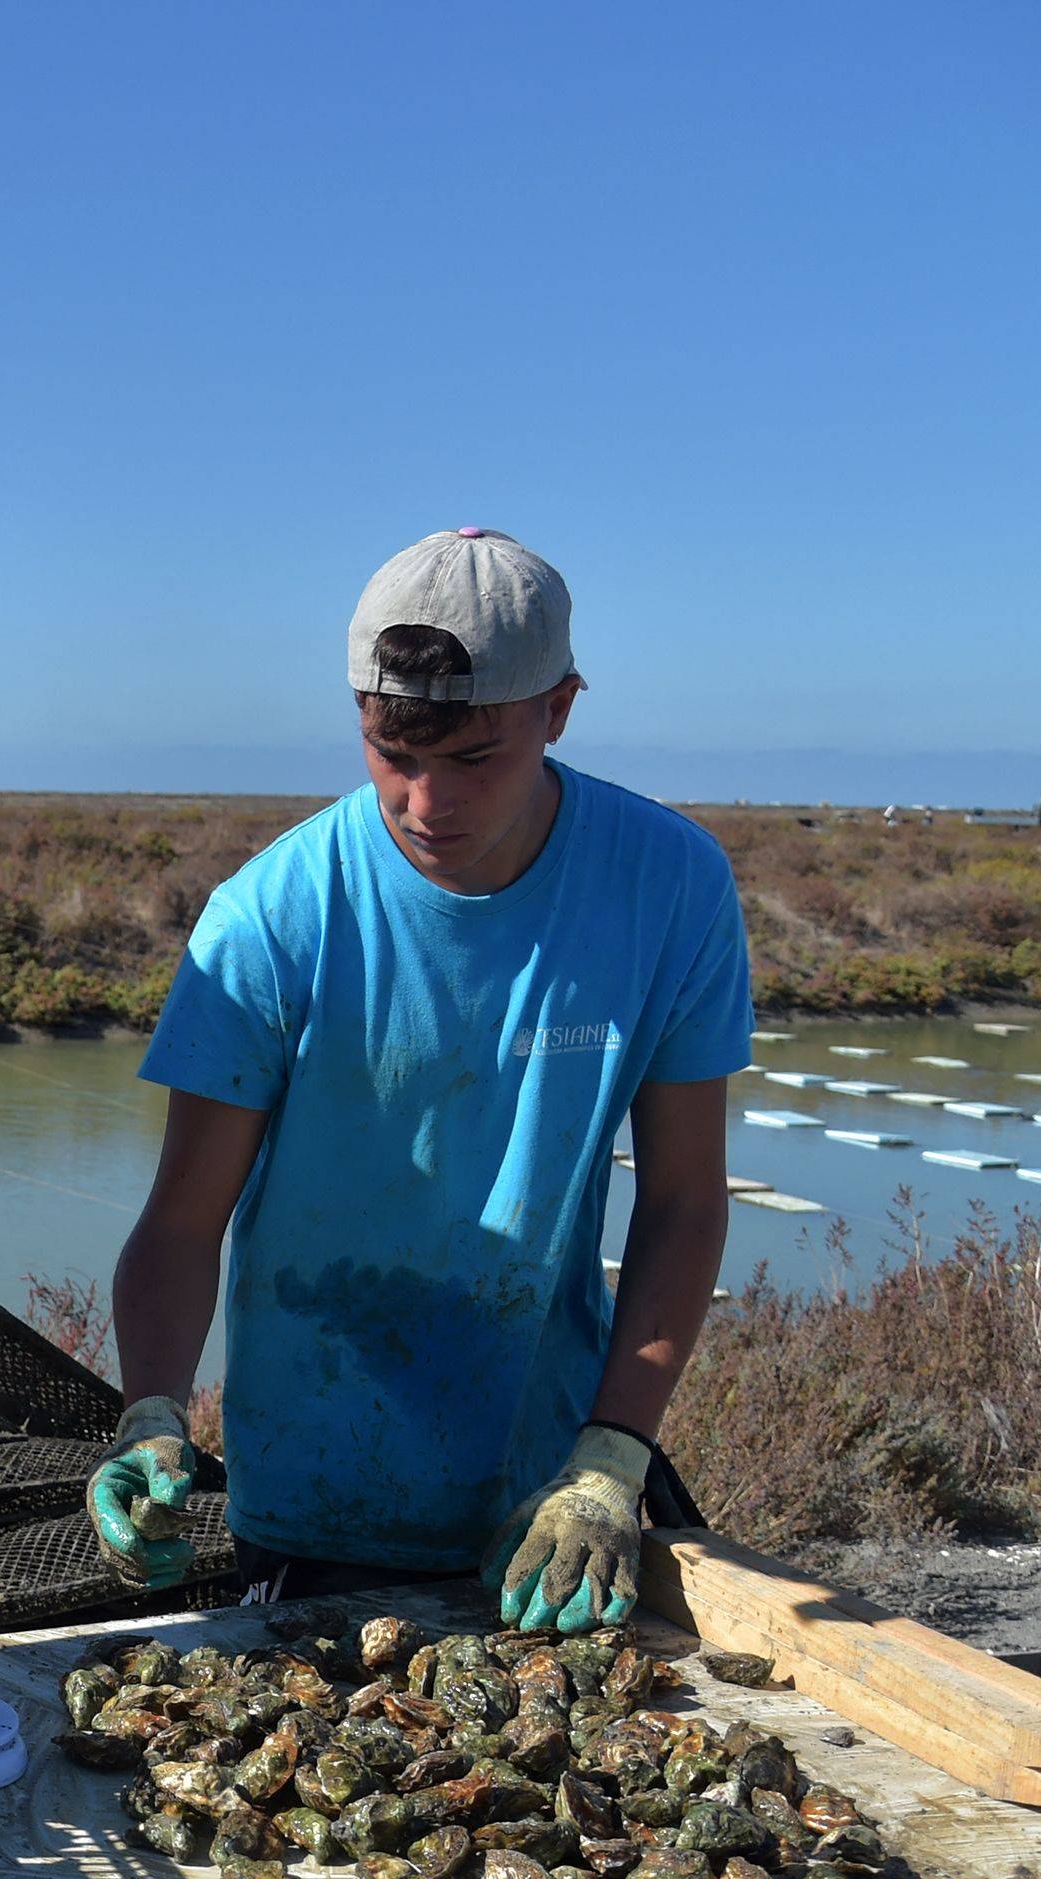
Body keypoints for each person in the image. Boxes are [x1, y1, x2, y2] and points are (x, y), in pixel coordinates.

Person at [86, 529, 751, 1630]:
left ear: (560, 708)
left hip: (550, 1484)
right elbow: (179, 1222)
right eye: (391, 751)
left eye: (474, 758)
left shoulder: (669, 888)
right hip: (310, 1494)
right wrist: (151, 1408)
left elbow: (684, 1199)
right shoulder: (272, 919)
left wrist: (613, 1455)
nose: (425, 801)